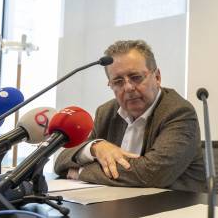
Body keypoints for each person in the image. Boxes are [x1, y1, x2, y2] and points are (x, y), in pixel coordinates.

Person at [54, 40, 206, 192]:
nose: (128, 87)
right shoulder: (106, 112)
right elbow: (61, 161)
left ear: (157, 77)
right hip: (117, 203)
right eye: (118, 81)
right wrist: (95, 147)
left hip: (174, 208)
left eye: (136, 77)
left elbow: (151, 174)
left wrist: (81, 172)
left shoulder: (178, 112)